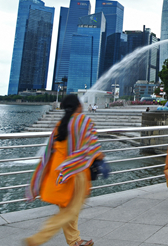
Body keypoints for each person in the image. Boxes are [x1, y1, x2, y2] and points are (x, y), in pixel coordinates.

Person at [24, 94, 103, 246]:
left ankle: (75, 241)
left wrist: (37, 180)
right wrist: (100, 157)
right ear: (78, 106)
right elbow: (92, 146)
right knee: (71, 210)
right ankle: (38, 238)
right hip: (74, 174)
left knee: (68, 209)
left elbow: (47, 153)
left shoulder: (60, 125)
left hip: (58, 174)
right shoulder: (83, 121)